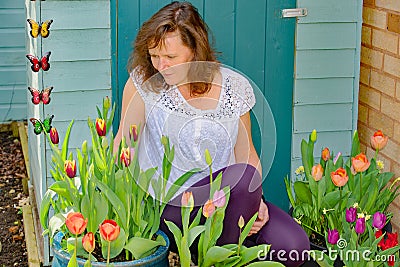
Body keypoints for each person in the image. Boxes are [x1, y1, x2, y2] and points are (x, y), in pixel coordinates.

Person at [114, 2, 309, 266]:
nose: (160, 65)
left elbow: (247, 154)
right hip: (176, 208)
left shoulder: (233, 87)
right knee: (242, 181)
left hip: (231, 200)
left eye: (170, 57)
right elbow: (124, 147)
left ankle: (222, 247)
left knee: (293, 247)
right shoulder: (143, 84)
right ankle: (218, 257)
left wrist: (256, 203)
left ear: (195, 51)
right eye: (154, 55)